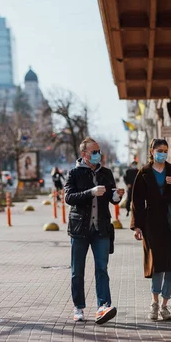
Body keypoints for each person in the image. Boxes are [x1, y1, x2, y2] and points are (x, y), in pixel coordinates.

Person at [130, 138, 171, 321]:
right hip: (153, 224)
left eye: (165, 150)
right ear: (152, 151)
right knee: (157, 264)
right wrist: (137, 226)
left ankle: (165, 306)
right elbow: (137, 202)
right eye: (159, 150)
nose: (163, 153)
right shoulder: (144, 172)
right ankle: (154, 302)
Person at [65, 137, 125, 324]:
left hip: (101, 228)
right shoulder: (74, 173)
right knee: (77, 271)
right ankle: (78, 307)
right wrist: (90, 192)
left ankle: (103, 306)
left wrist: (116, 196)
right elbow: (69, 197)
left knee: (102, 268)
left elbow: (111, 198)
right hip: (79, 229)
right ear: (84, 155)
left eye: (99, 151)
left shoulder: (106, 173)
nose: (98, 154)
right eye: (94, 152)